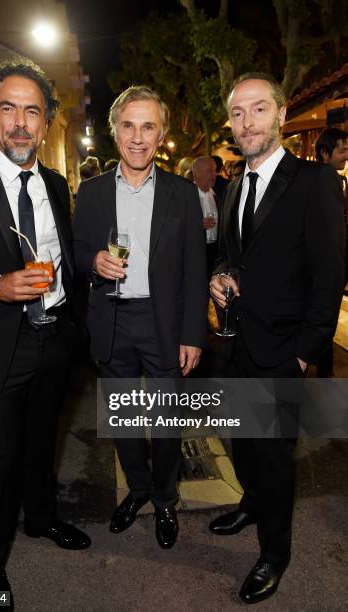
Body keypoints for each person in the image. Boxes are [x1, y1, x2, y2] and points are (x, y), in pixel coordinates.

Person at [0, 60, 91, 607]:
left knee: (41, 444)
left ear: (47, 120)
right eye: (9, 108)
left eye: (32, 110)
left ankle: (42, 519)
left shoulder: (54, 183)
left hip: (53, 338)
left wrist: (76, 317)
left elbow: (62, 257)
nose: (20, 123)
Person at [209, 72, 345, 604]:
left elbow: (329, 276)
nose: (247, 123)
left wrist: (303, 354)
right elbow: (230, 254)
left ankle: (275, 555)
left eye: (258, 110)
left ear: (282, 115)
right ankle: (251, 503)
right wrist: (219, 276)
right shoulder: (234, 183)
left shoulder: (314, 183)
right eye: (238, 114)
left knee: (273, 456)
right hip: (237, 342)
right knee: (242, 442)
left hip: (282, 352)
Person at [73, 85, 207, 549]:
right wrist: (92, 260)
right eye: (128, 125)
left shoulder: (183, 194)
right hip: (111, 320)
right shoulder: (89, 194)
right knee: (126, 421)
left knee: (168, 421)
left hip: (163, 321)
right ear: (114, 132)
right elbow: (72, 255)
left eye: (148, 126)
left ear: (161, 133)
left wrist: (193, 333)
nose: (137, 136)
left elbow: (195, 269)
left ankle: (166, 499)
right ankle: (138, 489)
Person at [315, 127, 348, 375]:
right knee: (324, 320)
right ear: (325, 152)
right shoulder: (325, 177)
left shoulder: (326, 177)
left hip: (325, 265)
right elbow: (332, 228)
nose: (346, 156)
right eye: (342, 150)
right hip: (327, 266)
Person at [192, 156, 220, 278]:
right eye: (209, 171)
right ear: (197, 173)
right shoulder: (186, 196)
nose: (214, 174)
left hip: (214, 252)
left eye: (214, 170)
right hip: (195, 252)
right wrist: (198, 225)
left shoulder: (217, 195)